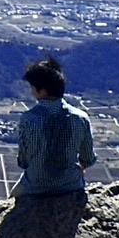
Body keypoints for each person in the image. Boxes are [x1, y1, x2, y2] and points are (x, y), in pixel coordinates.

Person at [13, 55, 95, 197]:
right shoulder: (81, 118)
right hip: (71, 186)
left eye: (33, 87)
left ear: (42, 90)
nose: (31, 91)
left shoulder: (29, 119)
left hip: (35, 186)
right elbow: (88, 158)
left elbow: (23, 161)